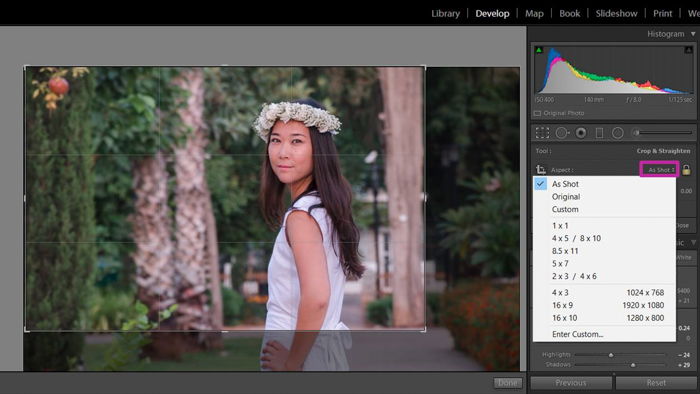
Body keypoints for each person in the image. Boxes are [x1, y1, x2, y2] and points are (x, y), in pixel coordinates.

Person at [255, 98, 365, 371]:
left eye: (296, 141)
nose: (282, 152)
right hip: (316, 352)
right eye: (276, 140)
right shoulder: (322, 210)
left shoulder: (302, 217)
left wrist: (292, 365)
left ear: (319, 149)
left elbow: (317, 297)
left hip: (294, 350)